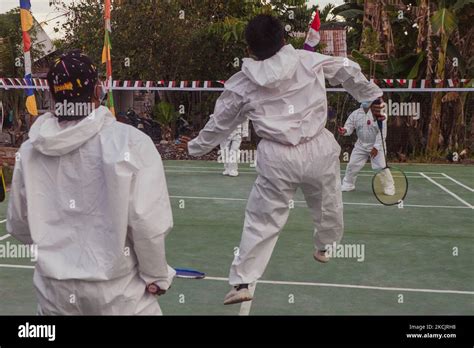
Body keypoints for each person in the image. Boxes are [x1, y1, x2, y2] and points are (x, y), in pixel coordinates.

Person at [180, 15, 385, 305]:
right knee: (328, 203)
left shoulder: (242, 82)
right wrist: (372, 95)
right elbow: (348, 71)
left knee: (261, 220)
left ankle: (242, 282)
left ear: (250, 49)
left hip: (277, 157)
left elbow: (220, 122)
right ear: (283, 39)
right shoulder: (308, 61)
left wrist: (196, 148)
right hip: (318, 149)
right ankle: (325, 246)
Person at [7, 50, 175, 315]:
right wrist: (156, 276)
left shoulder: (29, 151)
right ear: (97, 90)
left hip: (55, 294)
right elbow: (147, 223)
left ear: (52, 96)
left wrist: (58, 254)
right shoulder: (130, 142)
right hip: (120, 294)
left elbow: (18, 222)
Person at [339, 105, 395, 195]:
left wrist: (376, 147)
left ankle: (389, 187)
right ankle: (348, 184)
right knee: (352, 164)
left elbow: (382, 133)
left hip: (377, 145)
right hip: (361, 144)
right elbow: (349, 126)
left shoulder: (380, 114)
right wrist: (344, 130)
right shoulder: (355, 114)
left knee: (380, 167)